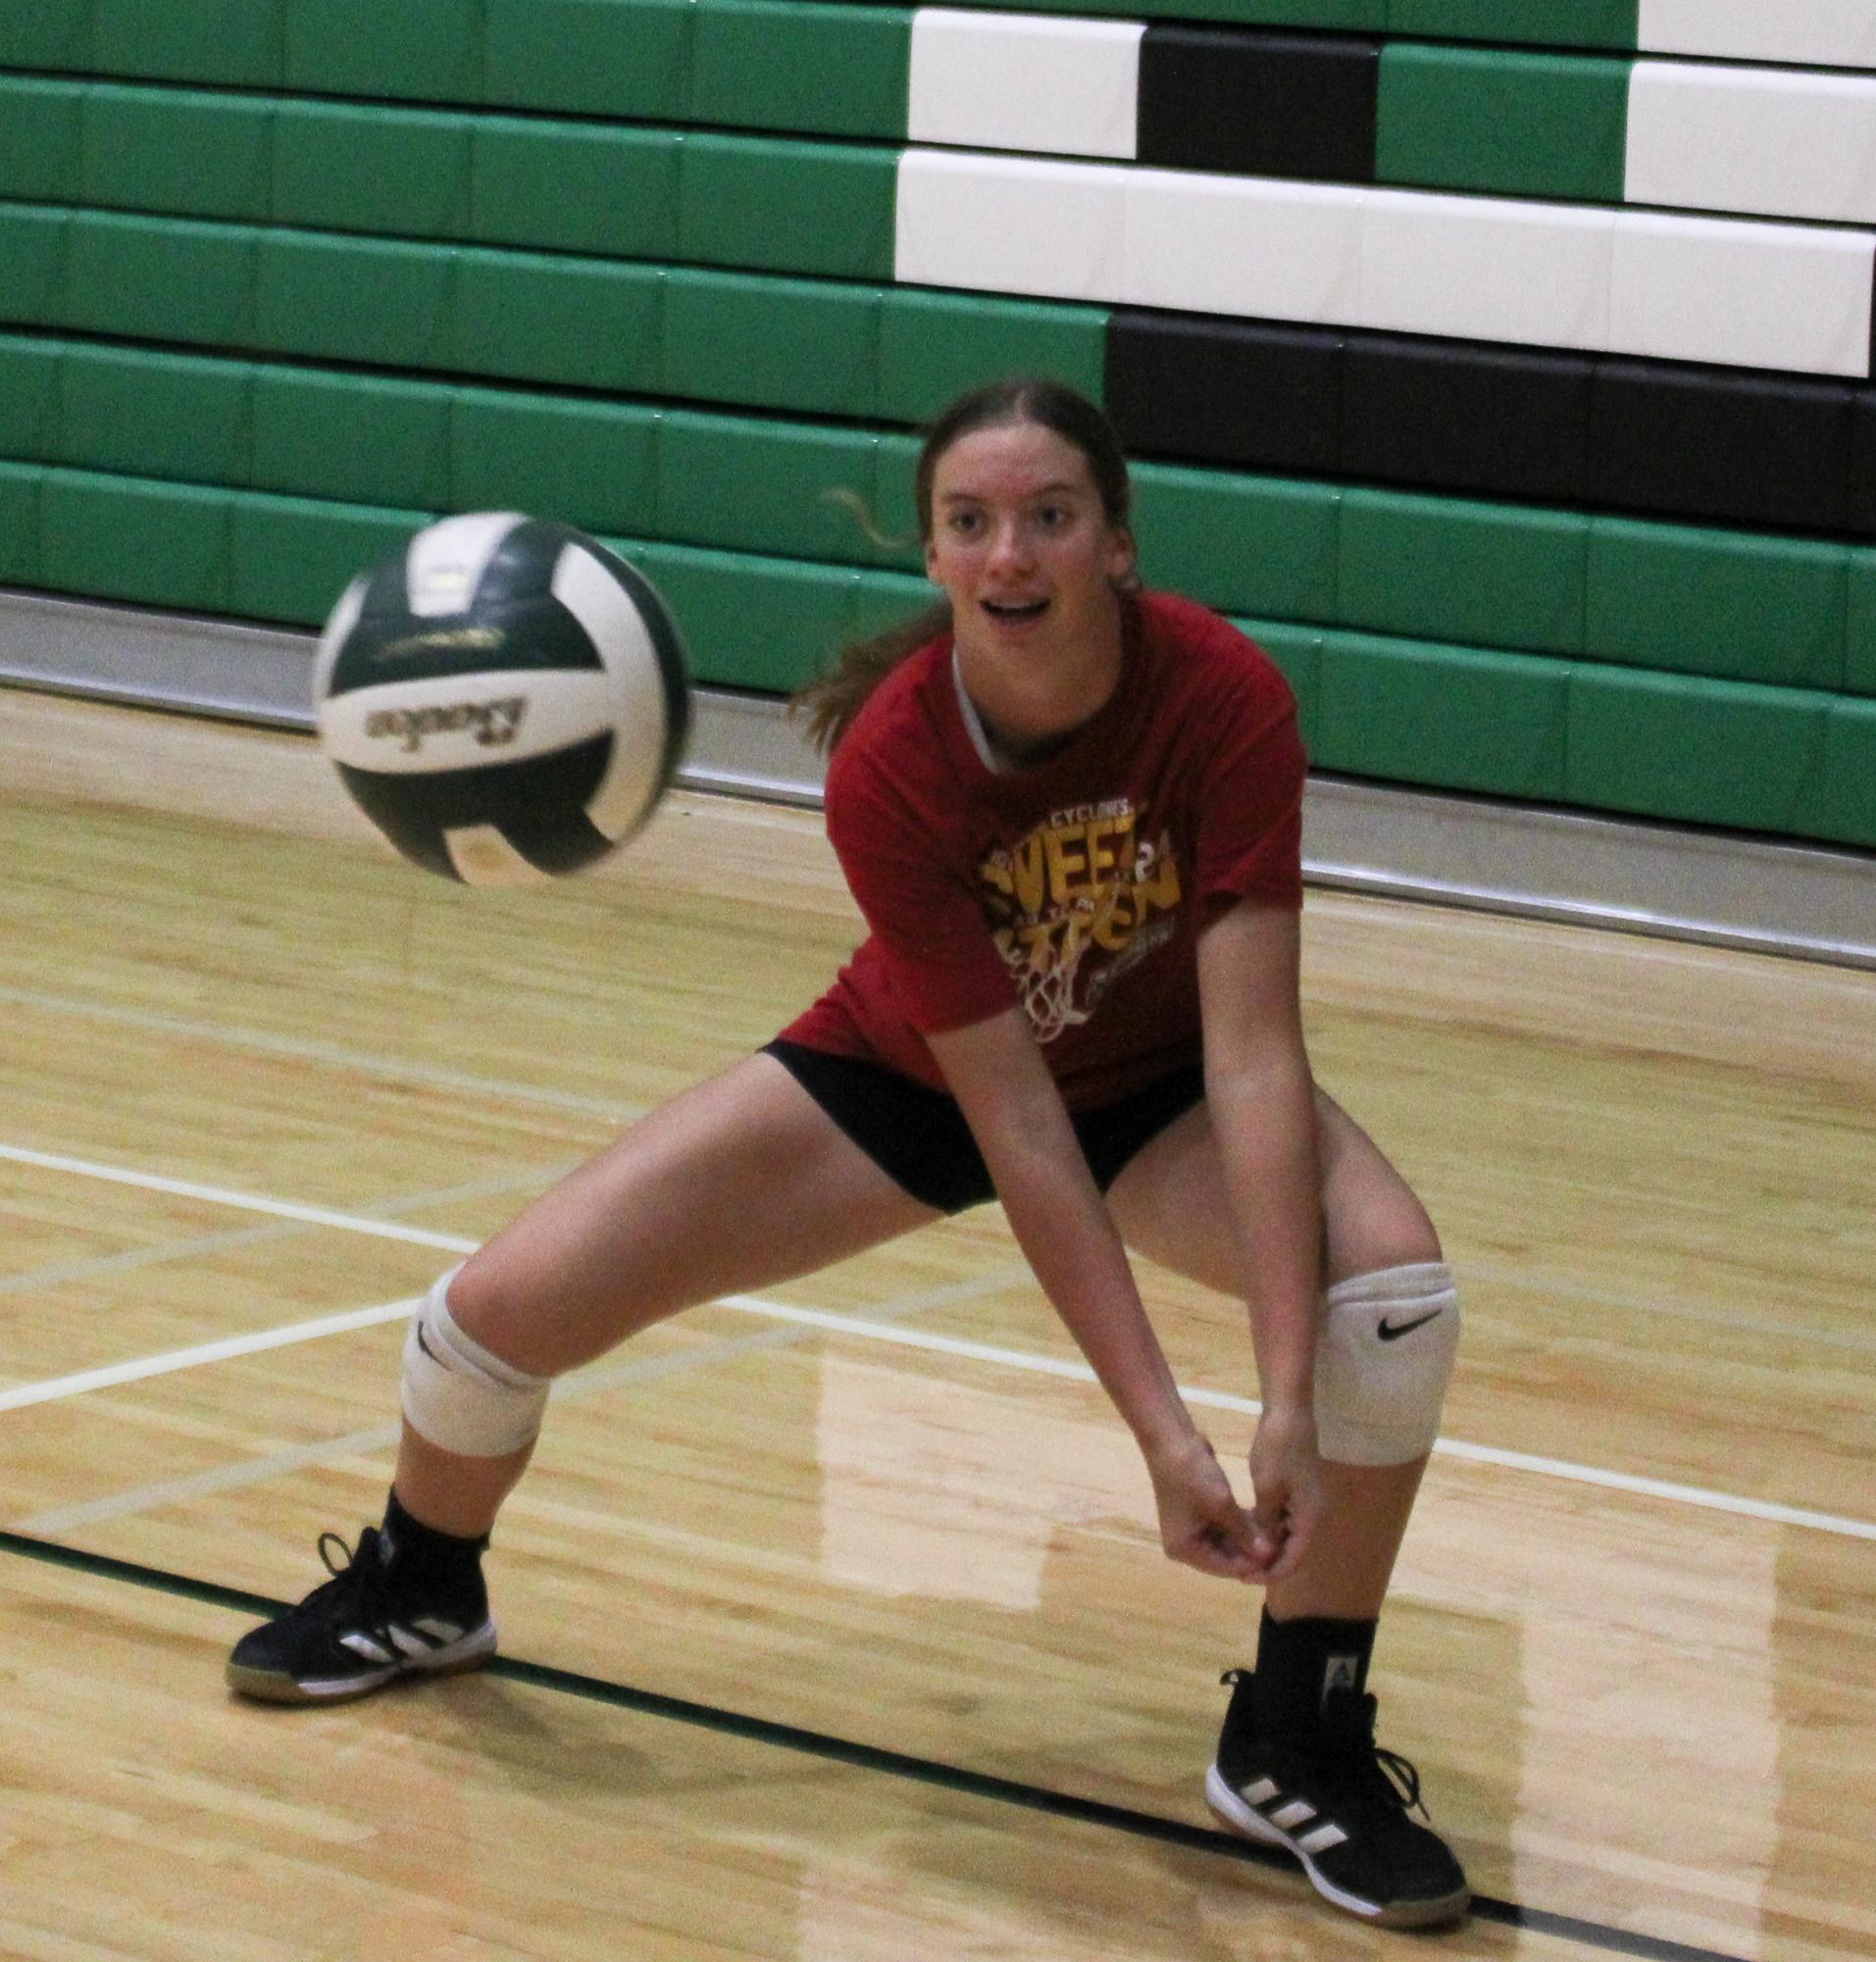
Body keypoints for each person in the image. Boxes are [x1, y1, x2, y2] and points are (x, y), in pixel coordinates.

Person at [228, 378, 1470, 1930]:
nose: (1008, 550)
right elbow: (1013, 1118)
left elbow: (1254, 1052)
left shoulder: (1220, 695)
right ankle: (424, 1576)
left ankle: (1298, 1734)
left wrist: (1283, 1389)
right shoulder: (893, 760)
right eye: (971, 522)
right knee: (487, 1321)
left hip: (1165, 1088)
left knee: (1390, 1296)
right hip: (916, 1077)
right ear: (935, 555)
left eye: (1048, 516)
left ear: (1117, 543)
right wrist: (1160, 1428)